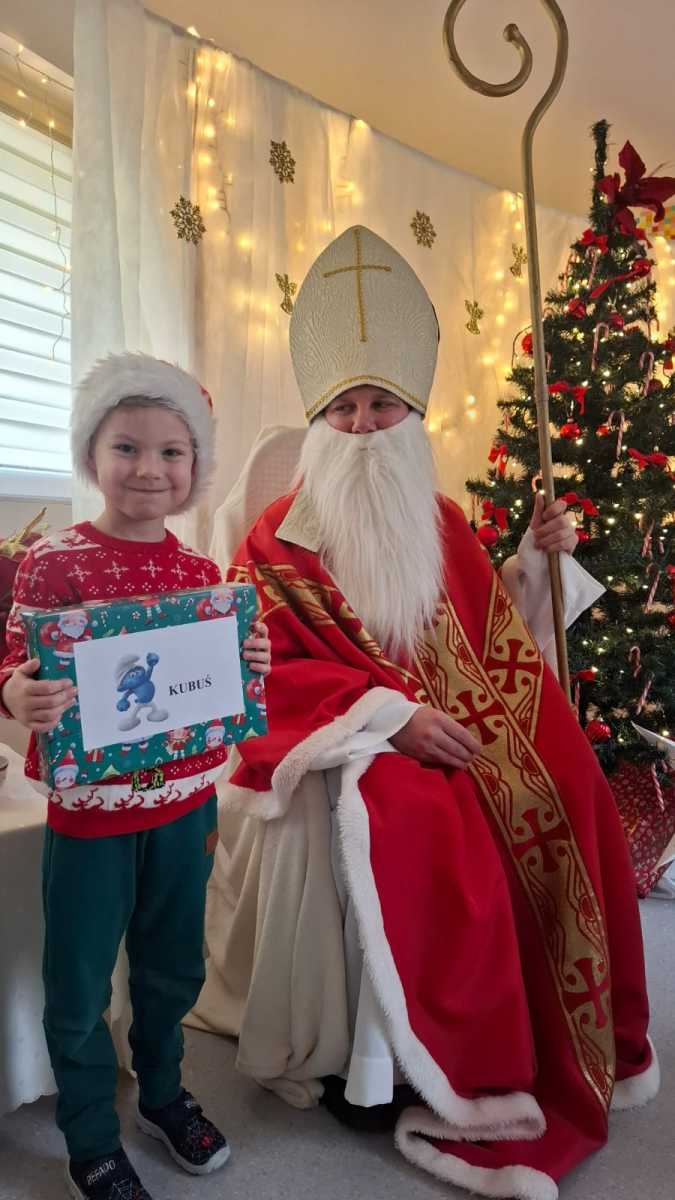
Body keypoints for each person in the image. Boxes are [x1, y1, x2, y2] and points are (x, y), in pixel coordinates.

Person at [193, 227, 658, 1200]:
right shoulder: (276, 537)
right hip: (349, 745)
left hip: (446, 717)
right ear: (320, 420)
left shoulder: (438, 517)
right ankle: (389, 1071)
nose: (364, 426)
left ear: (412, 413)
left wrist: (534, 562)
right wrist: (386, 718)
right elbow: (257, 670)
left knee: (565, 774)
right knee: (416, 813)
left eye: (382, 404)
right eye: (344, 407)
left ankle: (544, 1031)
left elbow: (491, 635)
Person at [0, 353, 271, 1200]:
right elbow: (15, 661)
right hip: (91, 815)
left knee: (173, 966)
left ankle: (161, 1093)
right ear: (92, 455)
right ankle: (89, 1134)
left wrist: (250, 663)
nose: (149, 469)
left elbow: (219, 683)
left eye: (171, 452)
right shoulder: (53, 562)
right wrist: (15, 691)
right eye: (126, 447)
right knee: (78, 982)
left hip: (187, 806)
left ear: (195, 467)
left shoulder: (202, 577)